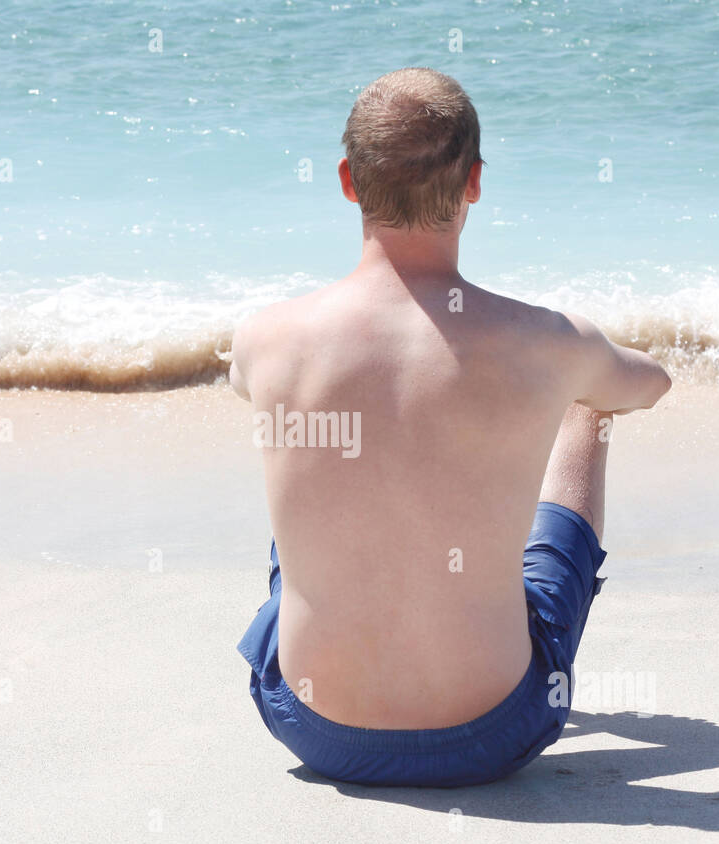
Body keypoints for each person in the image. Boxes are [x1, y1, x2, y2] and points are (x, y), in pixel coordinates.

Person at [229, 68, 671, 787]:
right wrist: (571, 373)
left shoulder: (268, 337)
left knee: (311, 449)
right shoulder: (545, 340)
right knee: (592, 402)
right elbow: (649, 386)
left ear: (347, 180)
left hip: (311, 726)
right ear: (473, 182)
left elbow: (244, 386)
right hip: (492, 730)